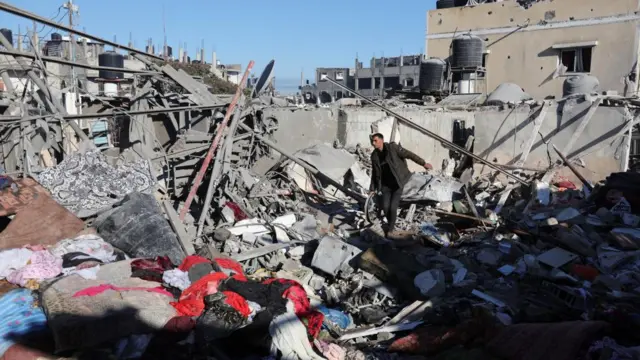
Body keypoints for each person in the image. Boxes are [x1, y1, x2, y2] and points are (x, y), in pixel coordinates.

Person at [369, 133, 432, 236]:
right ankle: (391, 225)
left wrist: (423, 163)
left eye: (375, 140)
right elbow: (374, 173)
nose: (373, 143)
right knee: (385, 207)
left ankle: (390, 230)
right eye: (372, 141)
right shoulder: (374, 156)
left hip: (397, 183)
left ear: (381, 140)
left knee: (393, 207)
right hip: (385, 185)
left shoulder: (392, 148)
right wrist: (372, 188)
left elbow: (409, 154)